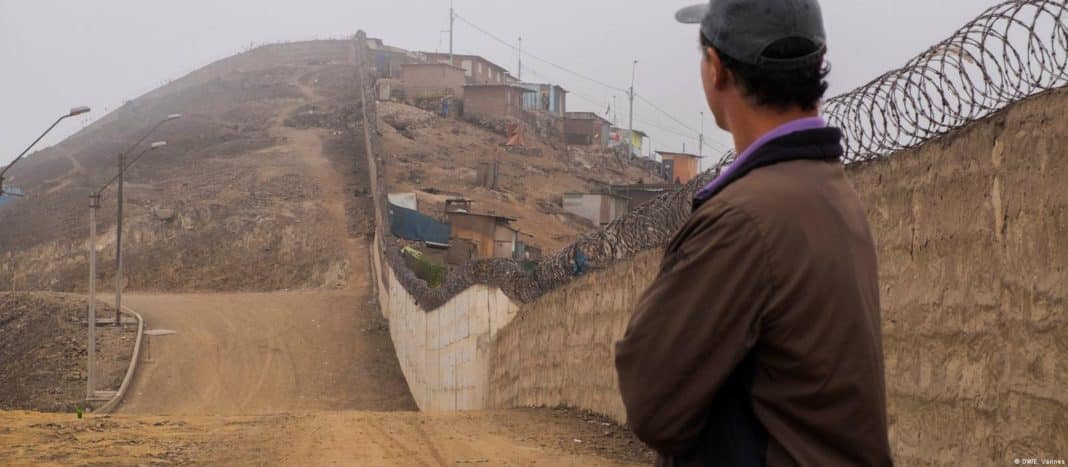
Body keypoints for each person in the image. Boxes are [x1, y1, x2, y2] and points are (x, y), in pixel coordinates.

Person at [614, 1, 893, 465]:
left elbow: (651, 401)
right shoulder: (828, 191)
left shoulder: (743, 221)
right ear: (818, 61)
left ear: (716, 70)